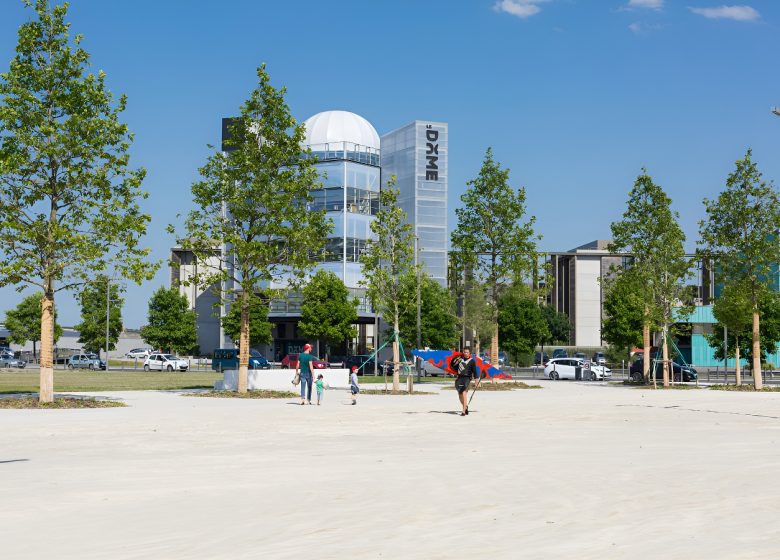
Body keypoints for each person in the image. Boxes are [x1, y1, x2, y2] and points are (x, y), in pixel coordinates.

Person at [455, 347, 477, 416]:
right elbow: (454, 367)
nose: (465, 353)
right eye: (464, 352)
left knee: (464, 393)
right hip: (459, 378)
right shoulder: (460, 360)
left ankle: (463, 411)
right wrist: (456, 362)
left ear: (469, 353)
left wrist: (476, 381)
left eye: (467, 352)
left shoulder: (472, 361)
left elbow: (475, 372)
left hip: (467, 378)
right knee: (460, 395)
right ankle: (465, 407)